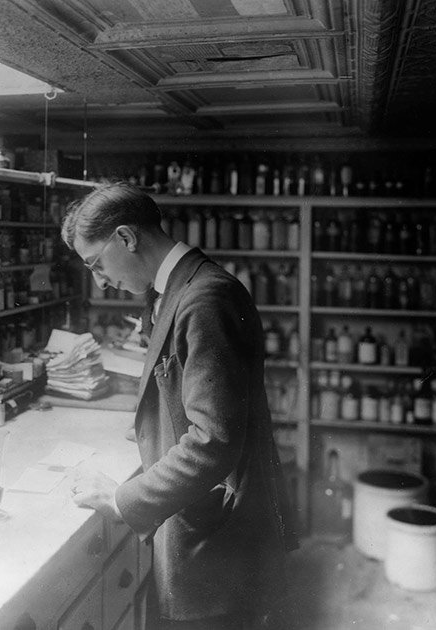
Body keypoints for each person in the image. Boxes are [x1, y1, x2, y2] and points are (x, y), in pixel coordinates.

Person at [62, 182, 298, 630]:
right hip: (202, 523)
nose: (101, 280)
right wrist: (155, 423)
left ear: (127, 238)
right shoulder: (177, 287)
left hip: (218, 542)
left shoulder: (205, 297)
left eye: (97, 264)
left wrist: (120, 497)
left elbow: (213, 441)